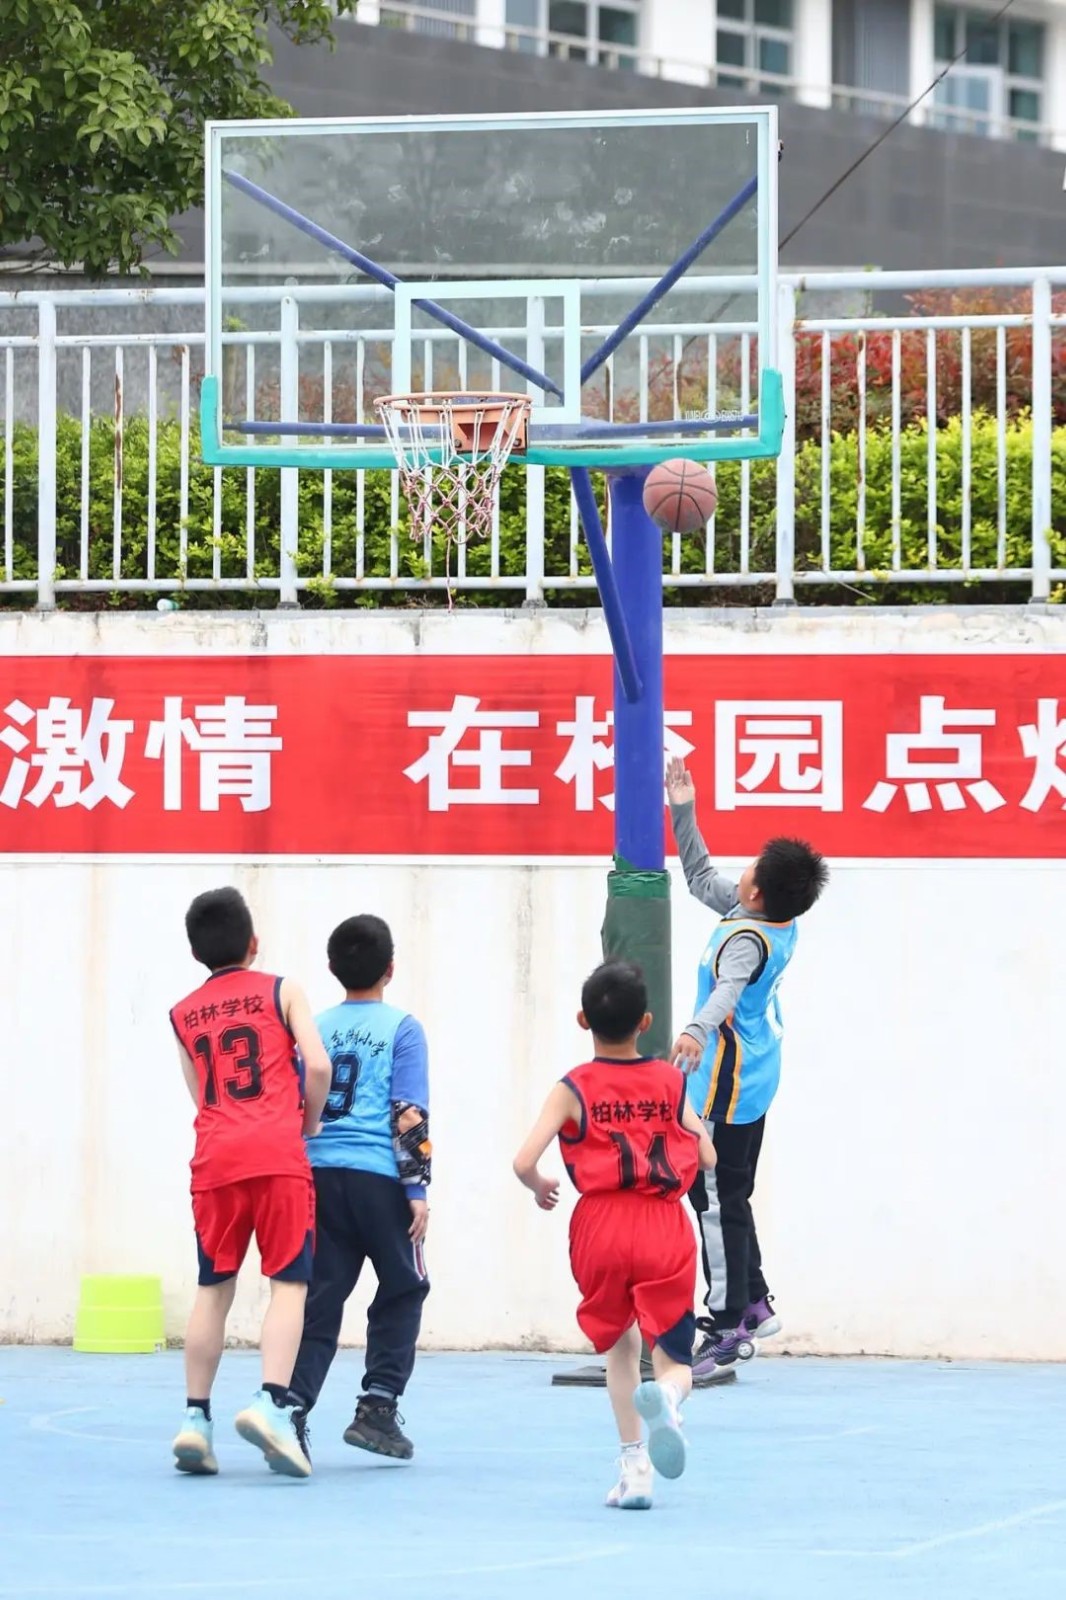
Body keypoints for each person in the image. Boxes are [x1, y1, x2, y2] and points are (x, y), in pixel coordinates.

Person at [513, 960, 716, 1510]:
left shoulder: (572, 1087)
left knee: (620, 1346)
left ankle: (634, 1468)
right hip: (662, 1223)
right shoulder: (670, 1081)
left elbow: (524, 1160)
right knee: (672, 1356)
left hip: (600, 1223)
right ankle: (668, 1396)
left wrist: (539, 1185)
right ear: (645, 1022)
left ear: (583, 1020)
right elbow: (707, 1155)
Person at [665, 755, 828, 1381]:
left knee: (710, 1196)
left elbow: (726, 991)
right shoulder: (767, 917)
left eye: (751, 868)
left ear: (755, 891)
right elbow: (699, 876)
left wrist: (695, 1029)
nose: (742, 872)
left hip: (726, 1086)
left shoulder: (744, 940)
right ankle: (755, 1301)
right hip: (757, 1074)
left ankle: (727, 1324)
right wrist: (684, 811)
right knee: (732, 1192)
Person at [169, 887, 332, 1478]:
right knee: (289, 1284)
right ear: (253, 943)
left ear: (196, 952)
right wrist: (306, 1122)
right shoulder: (281, 989)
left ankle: (195, 1418)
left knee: (213, 1288)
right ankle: (271, 1403)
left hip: (215, 1158)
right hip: (277, 1153)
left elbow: (200, 1094)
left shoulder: (183, 1013)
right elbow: (318, 1065)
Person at [287, 914, 431, 1464]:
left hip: (319, 1174)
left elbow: (296, 1100)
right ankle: (377, 1406)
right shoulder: (403, 1029)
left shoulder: (315, 1027)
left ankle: (291, 1408)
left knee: (320, 1295)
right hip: (380, 1178)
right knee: (405, 1285)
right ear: (390, 969)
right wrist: (417, 1190)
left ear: (332, 968)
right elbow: (408, 1112)